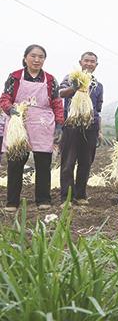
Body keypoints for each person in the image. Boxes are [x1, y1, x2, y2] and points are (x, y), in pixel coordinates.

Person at [0, 44, 64, 212]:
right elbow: (5, 98)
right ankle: (12, 202)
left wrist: (59, 124)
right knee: (15, 163)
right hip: (19, 124)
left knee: (43, 163)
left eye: (41, 57)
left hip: (43, 125)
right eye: (33, 56)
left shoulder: (50, 80)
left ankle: (43, 199)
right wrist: (10, 109)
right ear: (25, 57)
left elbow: (57, 103)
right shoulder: (14, 77)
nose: (37, 60)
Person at [59, 51, 104, 205]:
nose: (89, 64)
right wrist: (75, 87)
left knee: (85, 162)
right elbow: (61, 93)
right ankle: (67, 197)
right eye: (86, 60)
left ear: (96, 65)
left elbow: (97, 110)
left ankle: (81, 195)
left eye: (93, 62)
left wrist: (99, 130)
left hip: (90, 127)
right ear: (80, 62)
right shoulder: (71, 78)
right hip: (72, 126)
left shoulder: (98, 85)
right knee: (68, 163)